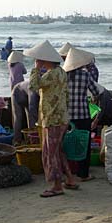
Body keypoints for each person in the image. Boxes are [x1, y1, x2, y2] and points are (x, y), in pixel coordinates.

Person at [25, 40, 78, 198]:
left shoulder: (51, 74)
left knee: (50, 153)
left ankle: (56, 186)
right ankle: (69, 179)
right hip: (61, 116)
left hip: (52, 118)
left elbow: (33, 86)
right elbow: (66, 95)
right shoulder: (61, 72)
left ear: (45, 60)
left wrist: (35, 69)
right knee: (58, 151)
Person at [63, 47, 100, 181]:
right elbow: (96, 91)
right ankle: (83, 174)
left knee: (67, 143)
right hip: (83, 115)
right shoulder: (85, 75)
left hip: (66, 116)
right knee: (84, 144)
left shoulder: (63, 76)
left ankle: (68, 172)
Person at [11, 80, 40, 145]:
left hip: (26, 96)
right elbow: (32, 110)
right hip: (17, 94)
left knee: (31, 119)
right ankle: (17, 140)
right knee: (18, 118)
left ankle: (30, 139)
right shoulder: (33, 87)